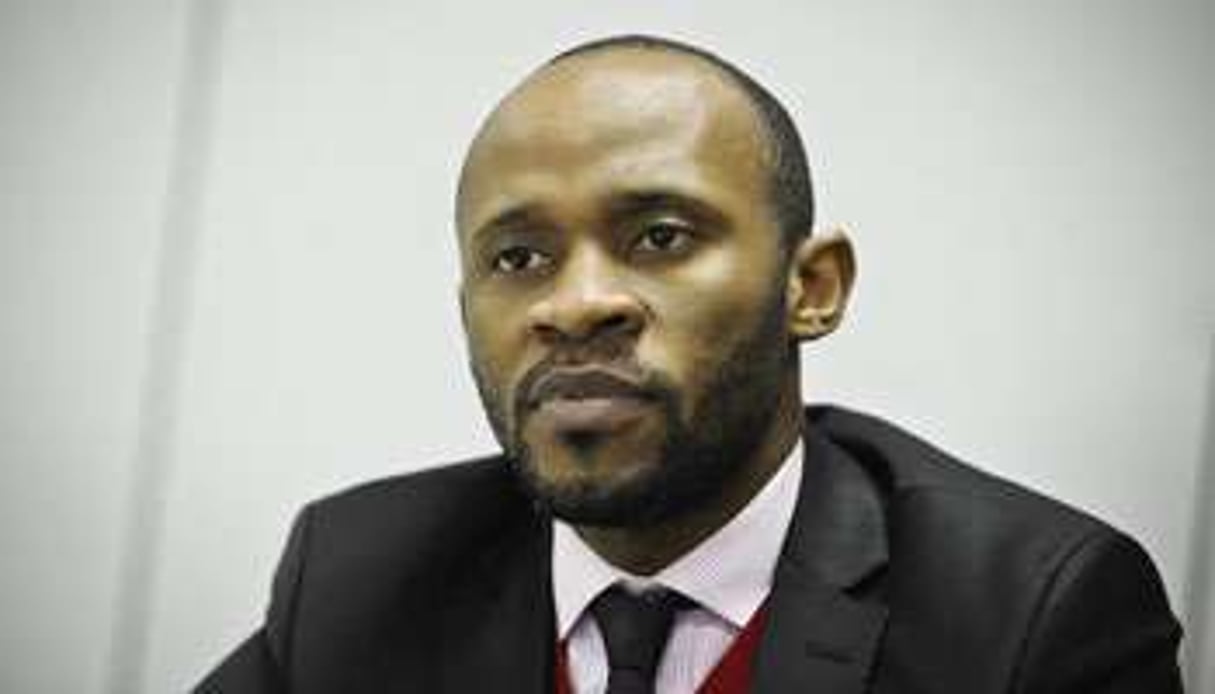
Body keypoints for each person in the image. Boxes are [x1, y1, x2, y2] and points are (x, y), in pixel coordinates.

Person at [197, 35, 1184, 693]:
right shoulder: (363, 575)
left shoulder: (1032, 616)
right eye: (518, 258)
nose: (576, 303)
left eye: (661, 236)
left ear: (815, 287)